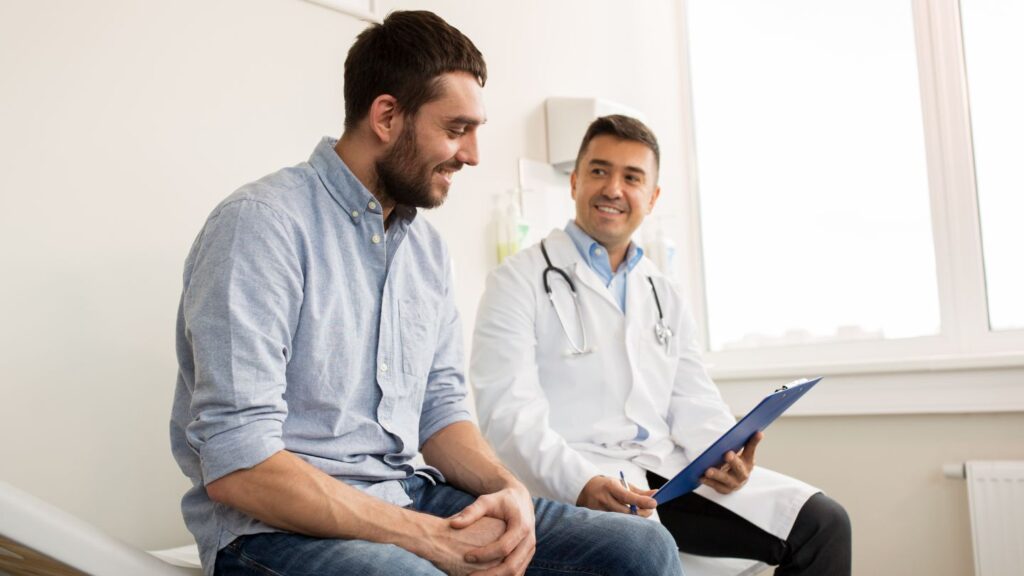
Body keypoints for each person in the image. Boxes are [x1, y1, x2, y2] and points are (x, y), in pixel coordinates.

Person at [169, 13, 683, 576]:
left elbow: (440, 412)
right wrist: (427, 540)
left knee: (642, 548)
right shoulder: (262, 225)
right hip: (272, 531)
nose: (473, 154)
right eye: (457, 129)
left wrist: (507, 488)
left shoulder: (426, 251)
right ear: (387, 116)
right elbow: (240, 465)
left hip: (408, 493)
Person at [471, 115, 852, 575]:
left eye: (632, 177)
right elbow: (507, 416)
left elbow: (692, 398)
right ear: (574, 182)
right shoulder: (516, 281)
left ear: (652, 197)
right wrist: (581, 482)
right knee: (643, 549)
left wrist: (725, 456)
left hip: (667, 476)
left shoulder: (662, 291)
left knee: (824, 523)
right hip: (575, 480)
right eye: (599, 170)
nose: (613, 188)